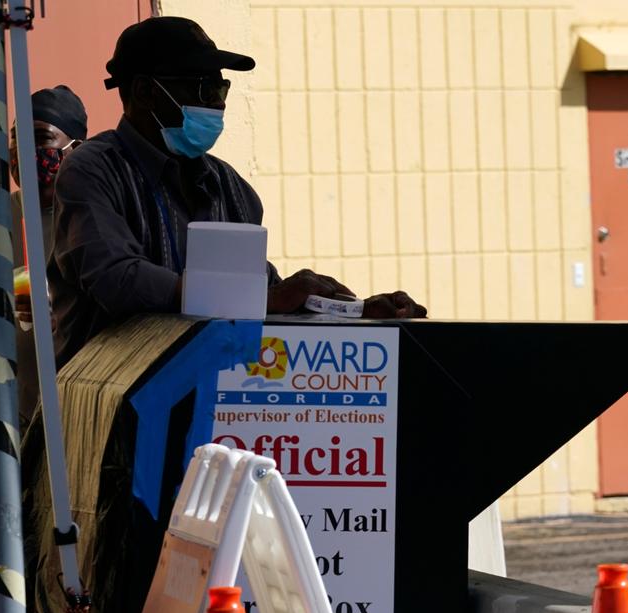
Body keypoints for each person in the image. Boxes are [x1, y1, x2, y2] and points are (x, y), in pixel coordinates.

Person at [48, 16, 425, 367]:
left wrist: (354, 311)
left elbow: (265, 293)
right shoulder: (92, 170)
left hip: (212, 406)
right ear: (146, 91)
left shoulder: (230, 187)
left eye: (221, 86)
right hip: (107, 409)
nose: (219, 101)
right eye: (204, 86)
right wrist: (256, 298)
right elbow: (117, 279)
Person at [9, 85, 88, 427]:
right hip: (14, 409)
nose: (24, 150)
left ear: (76, 150)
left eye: (41, 138)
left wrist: (64, 306)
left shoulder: (92, 214)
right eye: (15, 139)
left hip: (77, 404)